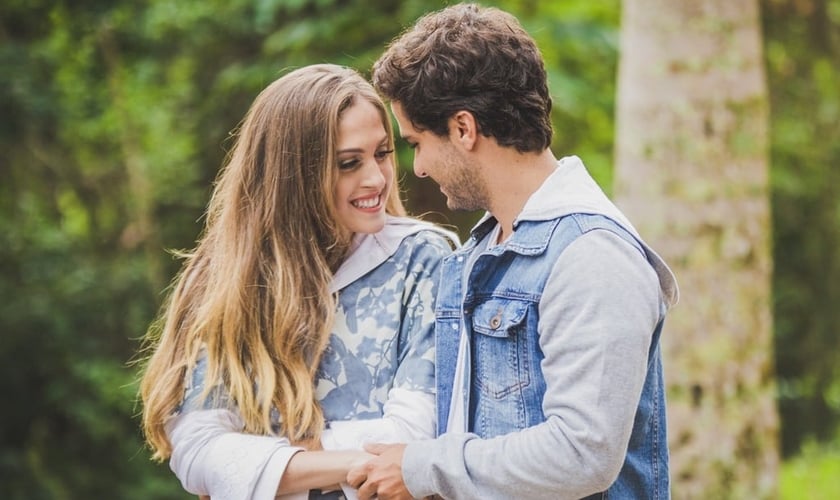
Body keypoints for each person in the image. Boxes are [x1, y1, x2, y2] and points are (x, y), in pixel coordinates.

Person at [347, 4, 680, 499]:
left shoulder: (591, 256)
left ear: (464, 129)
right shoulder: (483, 252)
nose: (417, 168)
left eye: (417, 142)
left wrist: (422, 468)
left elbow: (582, 453)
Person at [138, 64, 457, 500]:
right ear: (293, 175)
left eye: (382, 153)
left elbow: (416, 433)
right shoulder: (225, 277)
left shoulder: (423, 259)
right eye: (349, 163)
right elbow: (197, 449)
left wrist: (259, 462)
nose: (376, 179)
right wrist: (344, 461)